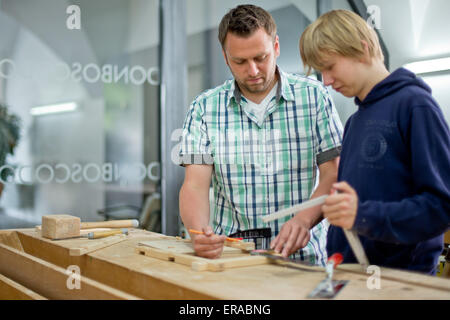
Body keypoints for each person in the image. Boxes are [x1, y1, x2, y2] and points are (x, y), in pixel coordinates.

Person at [178, 4, 343, 265]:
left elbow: (333, 175)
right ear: (225, 57)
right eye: (240, 61)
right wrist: (199, 233)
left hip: (303, 259)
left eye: (261, 57)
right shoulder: (204, 107)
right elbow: (195, 185)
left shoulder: (315, 97)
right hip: (233, 259)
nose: (252, 71)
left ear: (276, 47)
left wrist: (303, 220)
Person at [299, 9, 450, 274]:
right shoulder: (354, 122)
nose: (326, 81)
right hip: (350, 275)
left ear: (362, 49)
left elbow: (441, 207)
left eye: (330, 66)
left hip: (402, 282)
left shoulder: (416, 106)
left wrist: (364, 215)